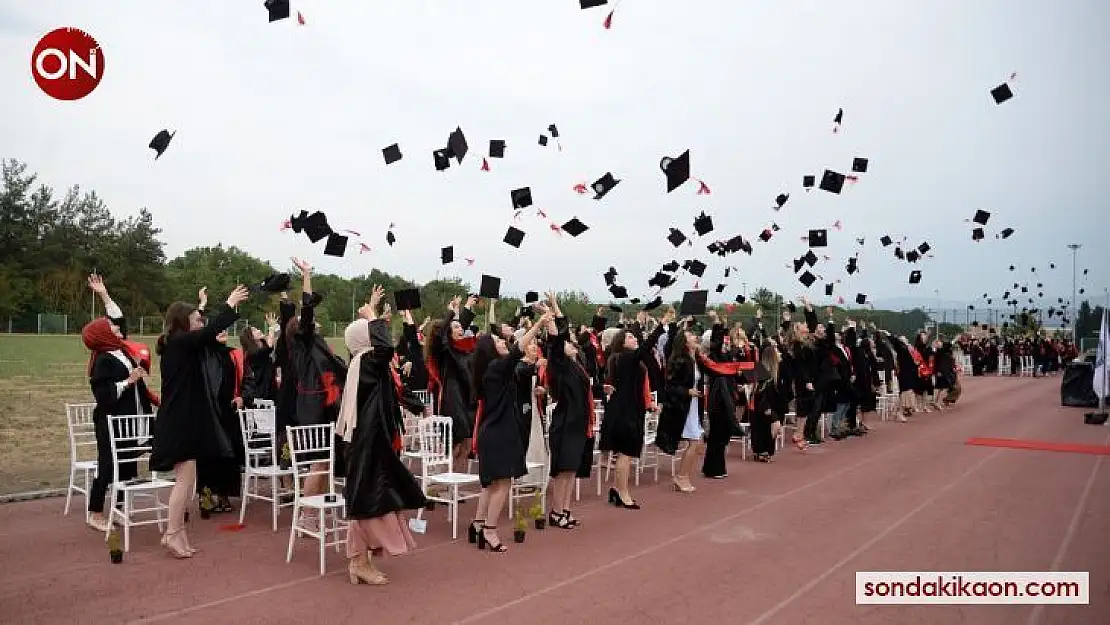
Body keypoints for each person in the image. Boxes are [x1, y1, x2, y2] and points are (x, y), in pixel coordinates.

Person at [336, 286, 428, 585]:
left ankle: (358, 561)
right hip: (369, 444)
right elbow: (385, 349)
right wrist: (373, 314)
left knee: (367, 501)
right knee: (371, 503)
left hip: (369, 441)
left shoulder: (362, 364)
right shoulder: (366, 363)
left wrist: (374, 308)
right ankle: (360, 562)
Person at [151, 284, 248, 558]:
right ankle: (171, 532)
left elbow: (203, 333)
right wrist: (229, 303)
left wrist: (203, 306)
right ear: (184, 323)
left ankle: (177, 533)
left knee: (187, 479)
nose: (201, 323)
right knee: (184, 481)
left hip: (184, 420)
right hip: (178, 422)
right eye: (196, 320)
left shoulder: (182, 343)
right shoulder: (180, 343)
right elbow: (206, 333)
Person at [469, 304, 550, 551]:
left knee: (491, 485)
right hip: (498, 434)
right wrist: (538, 324)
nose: (504, 342)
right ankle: (490, 531)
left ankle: (478, 525)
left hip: (494, 432)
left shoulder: (495, 372)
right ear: (490, 350)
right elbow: (518, 350)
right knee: (502, 485)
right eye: (499, 342)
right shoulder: (496, 368)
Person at [82, 274, 155, 532]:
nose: (117, 329)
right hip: (111, 422)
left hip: (129, 418)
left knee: (128, 465)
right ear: (103, 335)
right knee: (108, 466)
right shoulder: (102, 359)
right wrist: (129, 381)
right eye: (110, 328)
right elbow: (103, 394)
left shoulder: (120, 349)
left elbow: (119, 317)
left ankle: (120, 509)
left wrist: (104, 294)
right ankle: (95, 512)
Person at [600, 308, 671, 509]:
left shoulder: (628, 360)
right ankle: (623, 493)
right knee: (625, 454)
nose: (635, 338)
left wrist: (649, 405)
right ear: (623, 342)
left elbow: (639, 386)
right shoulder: (625, 357)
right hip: (625, 413)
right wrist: (661, 324)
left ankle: (616, 489)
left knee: (626, 454)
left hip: (629, 411)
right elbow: (647, 346)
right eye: (630, 336)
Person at [540, 293, 593, 526]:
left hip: (579, 421)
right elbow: (558, 338)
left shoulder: (576, 365)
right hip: (565, 423)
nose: (572, 345)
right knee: (562, 470)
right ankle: (556, 511)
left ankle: (566, 509)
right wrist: (553, 311)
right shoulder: (559, 364)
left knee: (572, 470)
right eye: (568, 344)